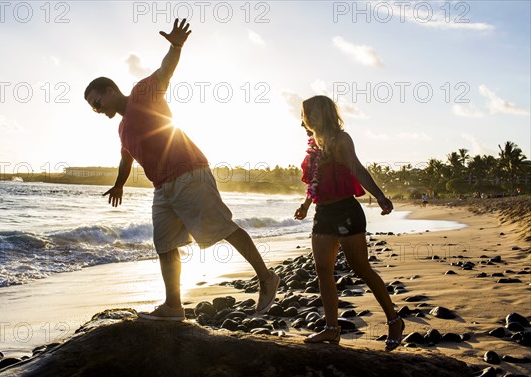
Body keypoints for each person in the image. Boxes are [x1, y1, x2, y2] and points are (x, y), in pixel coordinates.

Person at [84, 19, 279, 321]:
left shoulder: (142, 93)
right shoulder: (122, 128)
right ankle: (173, 307)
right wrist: (119, 184)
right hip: (162, 189)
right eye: (93, 109)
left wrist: (175, 46)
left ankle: (266, 277)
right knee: (164, 244)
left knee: (222, 228)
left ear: (109, 90)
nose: (97, 111)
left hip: (189, 173)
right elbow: (126, 159)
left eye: (96, 103)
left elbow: (165, 71)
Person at [293, 95, 404, 351]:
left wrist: (380, 197)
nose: (302, 122)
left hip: (346, 211)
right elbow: (316, 182)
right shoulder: (315, 145)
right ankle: (332, 330)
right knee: (322, 270)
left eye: (304, 116)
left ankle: (394, 320)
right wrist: (306, 205)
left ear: (317, 115)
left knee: (360, 267)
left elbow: (358, 169)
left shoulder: (341, 140)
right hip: (323, 213)